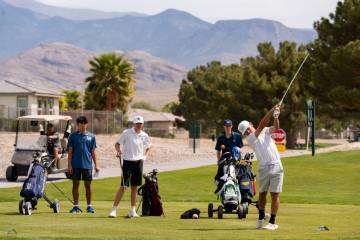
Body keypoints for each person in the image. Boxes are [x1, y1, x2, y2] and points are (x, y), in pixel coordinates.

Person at [238, 104, 283, 230]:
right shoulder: (251, 138)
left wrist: (276, 116)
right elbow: (262, 123)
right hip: (264, 167)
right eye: (245, 132)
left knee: (275, 194)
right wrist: (271, 110)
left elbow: (276, 128)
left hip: (276, 165)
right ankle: (261, 216)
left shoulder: (265, 131)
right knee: (262, 194)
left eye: (247, 128)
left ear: (250, 124)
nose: (247, 132)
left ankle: (272, 222)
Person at [109, 115, 151, 218]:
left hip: (138, 163)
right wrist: (119, 152)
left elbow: (149, 145)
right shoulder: (126, 133)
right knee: (124, 187)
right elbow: (117, 144)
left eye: (140, 124)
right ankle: (114, 210)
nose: (139, 125)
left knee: (134, 187)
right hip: (127, 162)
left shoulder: (144, 135)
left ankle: (132, 211)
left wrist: (145, 156)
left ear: (142, 124)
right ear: (133, 124)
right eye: (137, 123)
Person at [67, 116, 99, 213]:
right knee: (75, 185)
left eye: (84, 123)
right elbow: (70, 152)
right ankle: (76, 206)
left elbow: (93, 152)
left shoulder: (92, 137)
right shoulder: (72, 136)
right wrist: (69, 165)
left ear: (87, 124)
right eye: (81, 124)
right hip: (75, 165)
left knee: (88, 186)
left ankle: (89, 206)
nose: (83, 125)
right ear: (78, 125)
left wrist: (97, 165)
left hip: (87, 165)